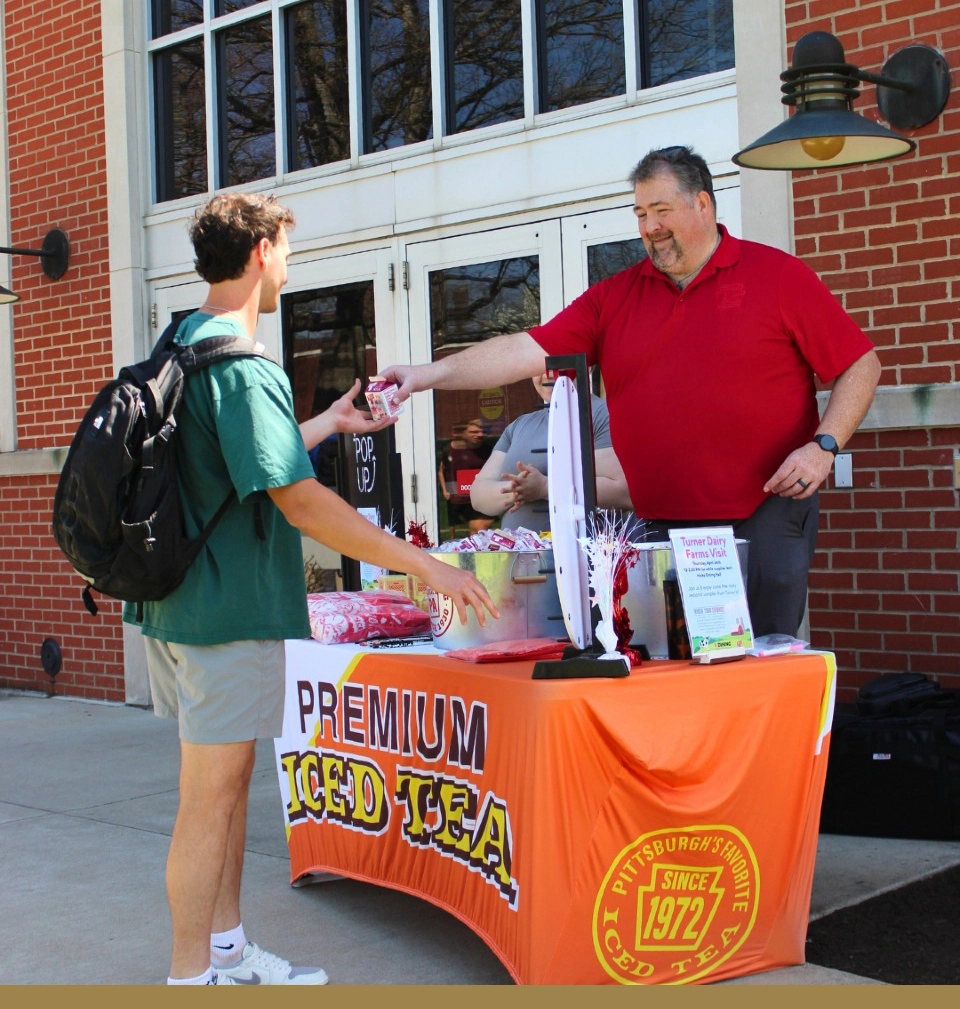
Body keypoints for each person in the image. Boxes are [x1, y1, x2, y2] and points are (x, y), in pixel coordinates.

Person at [124, 192, 497, 986]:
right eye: (287, 253)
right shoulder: (247, 362)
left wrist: (328, 422)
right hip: (230, 611)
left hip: (177, 607)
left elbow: (248, 464)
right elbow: (299, 500)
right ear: (261, 253)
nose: (289, 268)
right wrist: (424, 563)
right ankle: (189, 979)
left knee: (221, 794)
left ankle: (225, 951)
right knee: (206, 802)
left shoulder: (185, 341)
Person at [377, 146, 881, 637]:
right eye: (640, 213)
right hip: (656, 526)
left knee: (765, 660)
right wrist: (427, 375)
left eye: (661, 210)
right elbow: (521, 349)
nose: (648, 227)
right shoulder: (614, 298)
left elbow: (861, 364)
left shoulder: (776, 276)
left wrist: (824, 447)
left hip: (764, 511)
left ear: (702, 204)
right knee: (668, 669)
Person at [469, 372, 631, 532]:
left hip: (582, 554)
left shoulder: (602, 413)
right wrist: (518, 490)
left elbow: (622, 493)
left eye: (556, 365)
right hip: (518, 554)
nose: (547, 375)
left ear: (585, 368)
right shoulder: (519, 425)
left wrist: (546, 487)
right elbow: (478, 496)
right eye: (537, 369)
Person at [438, 418, 495, 535]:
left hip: (480, 497)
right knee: (454, 533)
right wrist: (445, 490)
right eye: (474, 432)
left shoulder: (488, 450)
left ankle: (477, 550)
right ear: (464, 433)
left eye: (482, 432)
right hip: (458, 498)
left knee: (480, 529)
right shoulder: (450, 449)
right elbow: (441, 471)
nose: (479, 435)